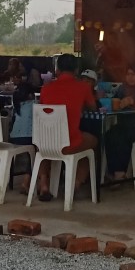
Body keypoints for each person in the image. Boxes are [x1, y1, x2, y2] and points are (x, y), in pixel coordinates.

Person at [36, 53, 97, 201]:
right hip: (69, 143)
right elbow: (93, 108)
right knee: (92, 142)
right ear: (76, 70)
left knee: (47, 143)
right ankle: (75, 184)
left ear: (57, 70)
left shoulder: (46, 88)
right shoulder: (83, 87)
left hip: (45, 142)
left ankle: (43, 184)